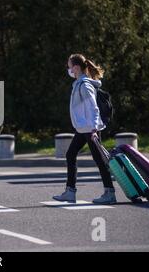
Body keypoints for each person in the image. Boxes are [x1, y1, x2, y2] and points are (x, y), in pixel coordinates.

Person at [53, 54, 116, 204]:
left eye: (69, 66)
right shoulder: (79, 84)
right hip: (83, 128)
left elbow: (93, 108)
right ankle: (70, 192)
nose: (68, 69)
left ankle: (110, 193)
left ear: (76, 67)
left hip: (90, 128)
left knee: (99, 159)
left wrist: (94, 129)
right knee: (71, 154)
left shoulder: (85, 85)